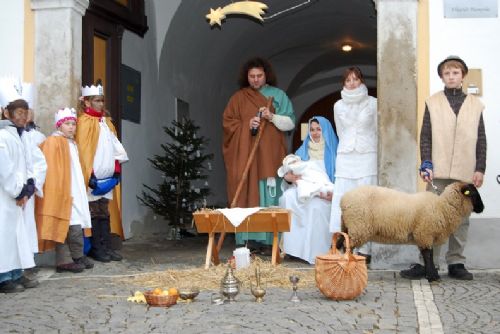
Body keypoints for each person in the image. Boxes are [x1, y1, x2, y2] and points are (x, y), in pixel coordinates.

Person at [400, 55, 486, 281]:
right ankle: (426, 263)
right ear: (441, 77)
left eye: (455, 72)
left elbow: (481, 139)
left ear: (463, 76)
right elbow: (425, 136)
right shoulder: (433, 102)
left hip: (465, 173)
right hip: (437, 173)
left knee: (462, 219)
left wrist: (480, 169)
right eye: (447, 73)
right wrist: (425, 162)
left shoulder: (476, 105)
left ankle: (456, 262)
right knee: (431, 218)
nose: (451, 76)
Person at [223, 57, 296, 253]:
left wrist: (271, 117)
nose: (255, 80)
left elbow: (290, 123)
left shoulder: (278, 95)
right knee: (247, 192)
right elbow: (228, 124)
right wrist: (246, 124)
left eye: (259, 76)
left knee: (269, 194)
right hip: (246, 154)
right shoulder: (238, 98)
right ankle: (248, 239)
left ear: (266, 76)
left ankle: (269, 240)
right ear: (246, 77)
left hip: (269, 153)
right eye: (252, 76)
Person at [75, 83, 129, 263]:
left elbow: (116, 148)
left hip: (107, 178)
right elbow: (84, 151)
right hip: (93, 179)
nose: (101, 104)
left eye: (102, 100)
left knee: (105, 212)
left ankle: (106, 246)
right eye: (97, 101)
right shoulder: (83, 122)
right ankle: (96, 248)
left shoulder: (107, 123)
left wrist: (116, 170)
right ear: (87, 103)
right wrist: (88, 175)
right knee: (94, 212)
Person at [329, 67, 378, 263]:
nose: (352, 83)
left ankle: (365, 247)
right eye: (348, 80)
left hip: (367, 155)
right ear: (343, 83)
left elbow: (377, 129)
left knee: (365, 202)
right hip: (346, 157)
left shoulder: (373, 103)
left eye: (355, 79)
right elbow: (341, 131)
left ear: (361, 81)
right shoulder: (338, 106)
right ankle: (342, 243)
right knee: (344, 200)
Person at [36, 108, 93, 273]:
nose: (71, 127)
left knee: (76, 224)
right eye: (67, 124)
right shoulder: (52, 142)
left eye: (73, 124)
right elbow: (50, 168)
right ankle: (64, 261)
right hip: (62, 190)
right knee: (63, 226)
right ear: (59, 125)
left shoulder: (73, 143)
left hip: (75, 190)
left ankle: (77, 255)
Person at [280, 117, 337, 264]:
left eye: (319, 129)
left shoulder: (336, 152)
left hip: (325, 193)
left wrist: (333, 194)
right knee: (288, 197)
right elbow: (289, 172)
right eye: (312, 129)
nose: (315, 133)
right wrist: (290, 178)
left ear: (326, 131)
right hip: (303, 187)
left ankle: (315, 252)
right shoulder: (302, 150)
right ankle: (293, 249)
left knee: (315, 207)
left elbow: (341, 179)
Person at [0, 89, 38, 293]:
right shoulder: (3, 136)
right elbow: (5, 169)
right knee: (4, 235)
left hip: (18, 197)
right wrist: (18, 191)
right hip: (6, 197)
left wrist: (29, 188)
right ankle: (3, 276)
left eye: (26, 112)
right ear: (6, 114)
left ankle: (15, 272)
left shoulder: (21, 136)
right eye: (18, 112)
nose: (23, 116)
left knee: (16, 235)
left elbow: (28, 163)